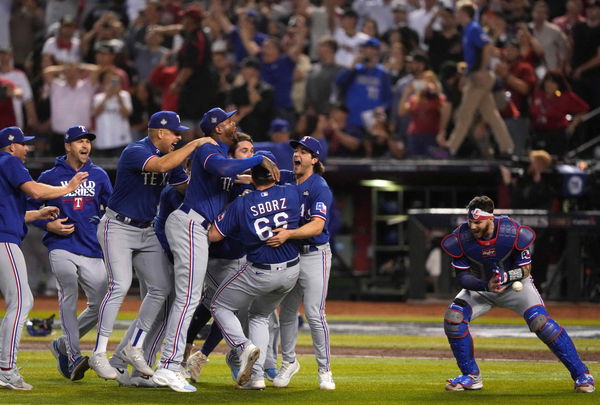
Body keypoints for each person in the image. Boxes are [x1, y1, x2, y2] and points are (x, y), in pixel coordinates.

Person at [151, 108, 276, 393]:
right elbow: (222, 169)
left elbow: (232, 181)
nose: (234, 124)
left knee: (208, 299)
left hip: (197, 230)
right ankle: (168, 366)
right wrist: (259, 159)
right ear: (217, 128)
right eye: (229, 121)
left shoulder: (221, 156)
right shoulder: (209, 148)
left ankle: (239, 348)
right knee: (188, 299)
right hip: (190, 224)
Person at [89, 111, 214, 381]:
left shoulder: (173, 159)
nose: (179, 137)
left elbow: (186, 189)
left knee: (161, 287)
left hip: (146, 230)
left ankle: (135, 345)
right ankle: (98, 353)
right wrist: (195, 144)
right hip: (118, 226)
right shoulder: (135, 150)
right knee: (120, 285)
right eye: (175, 133)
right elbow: (158, 167)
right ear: (159, 132)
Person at [440, 195, 595, 393]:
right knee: (454, 318)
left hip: (515, 285)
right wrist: (486, 285)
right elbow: (462, 277)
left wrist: (506, 276)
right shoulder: (461, 238)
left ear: (490, 218)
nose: (472, 226)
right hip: (483, 287)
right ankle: (471, 376)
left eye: (477, 222)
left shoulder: (510, 232)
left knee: (541, 323)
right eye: (470, 221)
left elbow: (526, 269)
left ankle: (582, 375)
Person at [0, 126, 87, 390]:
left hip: (4, 235)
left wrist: (36, 215)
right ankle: (5, 369)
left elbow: (15, 211)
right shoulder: (8, 161)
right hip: (4, 240)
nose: (26, 149)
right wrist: (69, 188)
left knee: (18, 301)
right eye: (23, 144)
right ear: (11, 146)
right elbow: (36, 192)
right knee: (22, 300)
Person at [210, 151, 301, 390]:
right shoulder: (290, 192)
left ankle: (242, 347)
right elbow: (287, 180)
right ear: (273, 175)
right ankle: (256, 377)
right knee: (260, 316)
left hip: (260, 271)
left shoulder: (242, 203)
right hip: (291, 271)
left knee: (219, 305)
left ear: (252, 177)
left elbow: (214, 235)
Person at [28, 126, 112, 381]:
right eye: (79, 141)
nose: (85, 145)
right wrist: (47, 224)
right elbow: (31, 208)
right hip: (61, 245)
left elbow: (113, 206)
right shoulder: (50, 176)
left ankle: (62, 345)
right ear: (67, 146)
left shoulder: (99, 175)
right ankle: (74, 356)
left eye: (88, 141)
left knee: (101, 305)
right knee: (68, 293)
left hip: (92, 249)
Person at [266, 136, 336, 390]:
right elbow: (255, 173)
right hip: (292, 254)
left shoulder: (320, 186)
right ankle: (289, 362)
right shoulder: (286, 177)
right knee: (286, 313)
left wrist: (288, 234)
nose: (297, 154)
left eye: (305, 152)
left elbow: (318, 225)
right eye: (296, 150)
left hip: (315, 253)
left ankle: (325, 370)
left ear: (315, 160)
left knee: (315, 314)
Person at [184, 134, 255, 383]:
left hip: (241, 255)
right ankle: (198, 353)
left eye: (251, 150)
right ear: (232, 156)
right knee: (226, 306)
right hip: (216, 255)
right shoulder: (222, 180)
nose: (248, 154)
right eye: (243, 150)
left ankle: (193, 349)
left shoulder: (254, 183)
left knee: (213, 306)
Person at [442, 2, 514, 157]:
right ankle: (507, 146)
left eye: (458, 13)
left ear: (464, 14)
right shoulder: (467, 30)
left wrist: (481, 69)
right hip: (475, 75)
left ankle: (451, 147)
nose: (456, 16)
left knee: (464, 113)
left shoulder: (474, 28)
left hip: (480, 77)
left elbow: (487, 47)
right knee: (490, 114)